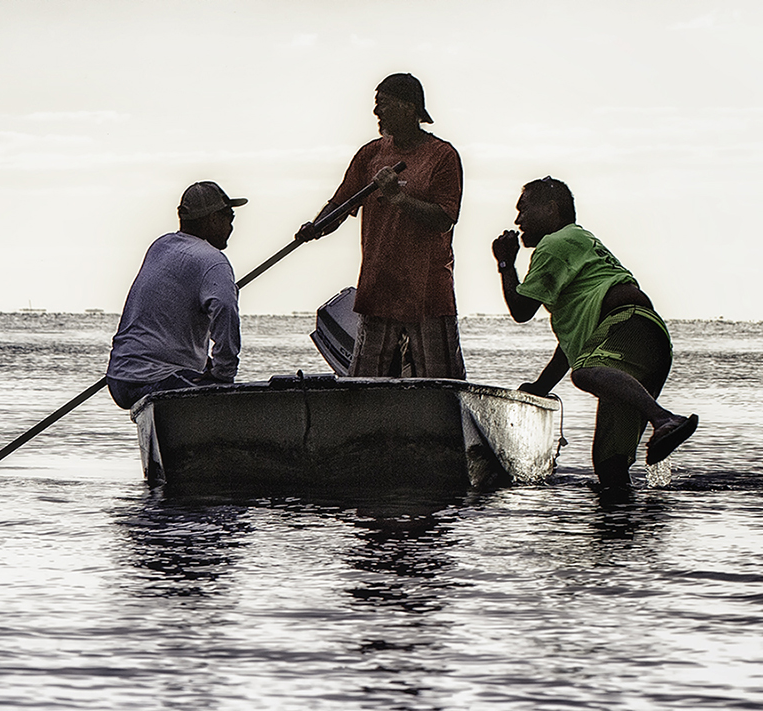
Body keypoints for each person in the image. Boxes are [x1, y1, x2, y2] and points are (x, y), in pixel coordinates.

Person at [492, 176, 698, 488]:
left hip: (627, 327)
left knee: (585, 372)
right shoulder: (579, 242)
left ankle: (664, 419)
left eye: (524, 209)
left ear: (551, 209)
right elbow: (576, 344)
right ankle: (624, 531)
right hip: (647, 340)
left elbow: (522, 311)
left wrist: (506, 262)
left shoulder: (555, 243)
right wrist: (541, 385)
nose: (517, 220)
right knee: (609, 466)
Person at [296, 73, 464, 379]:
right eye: (376, 104)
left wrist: (398, 198)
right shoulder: (370, 155)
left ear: (409, 107)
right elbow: (340, 205)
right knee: (366, 385)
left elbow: (444, 218)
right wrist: (316, 226)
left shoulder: (442, 157)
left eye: (383, 104)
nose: (377, 112)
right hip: (378, 292)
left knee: (439, 384)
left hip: (427, 296)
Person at [105, 181, 247, 410]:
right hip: (154, 379)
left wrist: (207, 363)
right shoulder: (213, 261)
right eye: (228, 217)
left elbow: (171, 314)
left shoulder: (161, 246)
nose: (231, 226)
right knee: (227, 401)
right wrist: (223, 375)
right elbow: (225, 310)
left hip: (120, 378)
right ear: (212, 219)